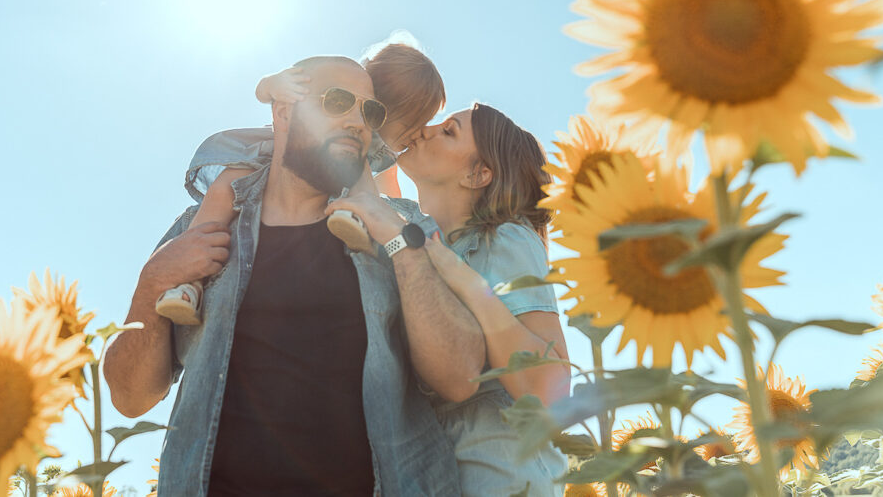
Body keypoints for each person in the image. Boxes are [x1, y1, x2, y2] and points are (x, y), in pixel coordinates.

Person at [102, 55, 484, 496]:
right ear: (283, 111)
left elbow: (461, 379)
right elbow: (130, 398)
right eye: (337, 101)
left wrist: (400, 245)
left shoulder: (403, 227)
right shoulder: (201, 231)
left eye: (370, 111)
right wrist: (153, 282)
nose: (358, 122)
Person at [328, 103, 570, 497]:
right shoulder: (426, 235)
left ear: (477, 174)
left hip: (502, 473)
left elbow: (550, 383)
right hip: (429, 469)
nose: (426, 130)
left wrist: (465, 280)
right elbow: (383, 198)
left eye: (449, 131)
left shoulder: (505, 239)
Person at [155, 33, 447, 324]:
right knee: (224, 190)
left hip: (340, 174)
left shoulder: (375, 150)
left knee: (364, 186)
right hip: (271, 154)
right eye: (411, 124)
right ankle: (189, 282)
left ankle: (354, 218)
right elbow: (265, 90)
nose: (412, 135)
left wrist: (387, 216)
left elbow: (384, 190)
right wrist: (275, 83)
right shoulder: (337, 93)